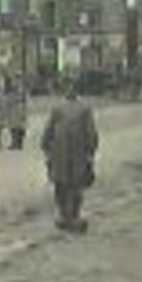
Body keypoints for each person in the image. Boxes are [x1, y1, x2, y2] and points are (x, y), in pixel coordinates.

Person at [41, 78, 99, 232]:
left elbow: (91, 132)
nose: (70, 90)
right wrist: (46, 146)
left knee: (76, 186)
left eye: (72, 88)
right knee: (60, 184)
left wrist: (90, 151)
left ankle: (73, 215)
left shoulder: (84, 108)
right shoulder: (57, 108)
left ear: (76, 90)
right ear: (64, 90)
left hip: (78, 153)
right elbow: (49, 129)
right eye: (67, 88)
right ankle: (63, 215)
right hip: (59, 153)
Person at [6, 75, 29, 150]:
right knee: (13, 128)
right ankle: (15, 143)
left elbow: (25, 100)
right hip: (15, 110)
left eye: (17, 78)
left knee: (19, 128)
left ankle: (18, 143)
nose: (15, 81)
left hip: (19, 109)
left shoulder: (22, 89)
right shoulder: (15, 88)